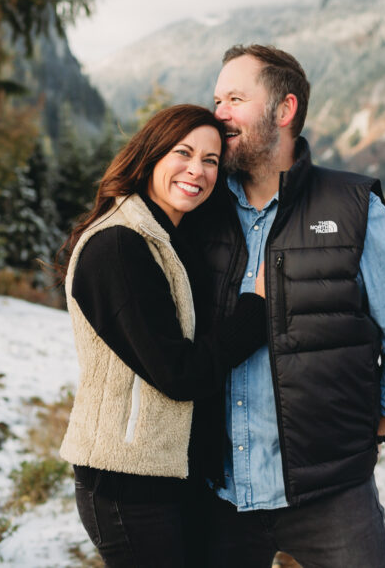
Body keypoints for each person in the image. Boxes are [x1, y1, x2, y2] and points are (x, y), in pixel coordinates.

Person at [183, 45, 385, 567]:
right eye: (217, 99)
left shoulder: (352, 208)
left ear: (284, 110)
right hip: (220, 493)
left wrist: (378, 428)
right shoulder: (200, 209)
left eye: (236, 98)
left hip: (333, 495)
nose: (219, 114)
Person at [57, 104, 268, 568]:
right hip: (126, 482)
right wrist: (257, 308)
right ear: (151, 155)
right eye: (184, 152)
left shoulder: (170, 240)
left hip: (172, 474)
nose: (197, 170)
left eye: (211, 160)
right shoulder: (119, 245)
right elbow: (178, 373)